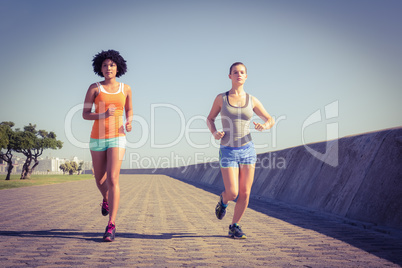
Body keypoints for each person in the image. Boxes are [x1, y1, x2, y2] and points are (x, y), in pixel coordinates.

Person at [207, 62, 275, 239]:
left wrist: (264, 125)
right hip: (227, 150)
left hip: (247, 149)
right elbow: (210, 119)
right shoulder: (221, 99)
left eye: (242, 72)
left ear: (246, 76)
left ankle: (234, 226)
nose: (239, 74)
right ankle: (223, 200)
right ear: (229, 76)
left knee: (245, 192)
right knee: (233, 192)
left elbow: (270, 119)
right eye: (235, 72)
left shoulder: (252, 100)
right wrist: (215, 132)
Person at [82, 50, 133, 242]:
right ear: (100, 68)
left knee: (113, 178)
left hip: (117, 137)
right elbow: (85, 114)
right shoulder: (94, 88)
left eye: (111, 65)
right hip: (97, 137)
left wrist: (129, 122)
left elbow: (129, 109)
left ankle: (111, 224)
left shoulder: (125, 88)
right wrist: (102, 115)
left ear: (118, 67)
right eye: (104, 65)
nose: (108, 68)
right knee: (100, 179)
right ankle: (106, 199)